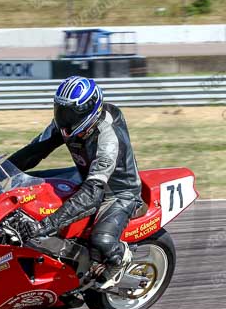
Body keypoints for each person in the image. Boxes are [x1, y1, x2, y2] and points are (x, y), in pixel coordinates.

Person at [9, 76, 142, 289]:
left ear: (89, 110)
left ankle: (118, 258)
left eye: (70, 113)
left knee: (101, 241)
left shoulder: (107, 137)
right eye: (60, 110)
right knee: (24, 189)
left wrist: (43, 226)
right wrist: (1, 172)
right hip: (83, 176)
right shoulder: (66, 125)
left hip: (115, 192)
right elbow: (34, 151)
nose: (63, 117)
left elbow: (93, 193)